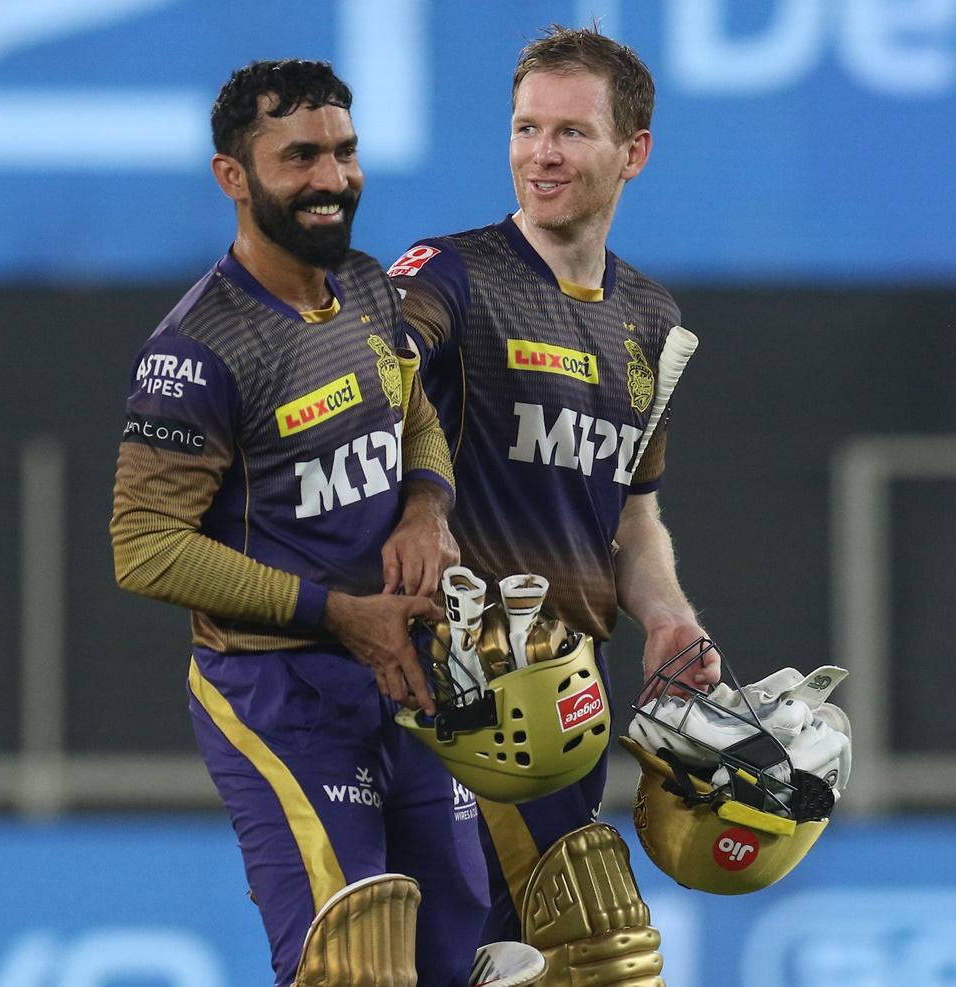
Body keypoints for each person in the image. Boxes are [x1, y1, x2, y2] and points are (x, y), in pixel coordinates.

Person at [110, 59, 489, 987]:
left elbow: (415, 411)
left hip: (407, 674)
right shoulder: (197, 351)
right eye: (301, 157)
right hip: (278, 697)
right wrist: (336, 612)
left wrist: (426, 506)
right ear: (232, 177)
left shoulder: (362, 283)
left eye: (345, 152)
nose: (333, 178)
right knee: (349, 966)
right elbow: (144, 545)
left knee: (458, 958)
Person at [388, 25, 722, 983]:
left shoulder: (652, 323)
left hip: (569, 703)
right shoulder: (451, 274)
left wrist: (668, 617)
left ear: (634, 151)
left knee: (520, 965)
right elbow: (375, 369)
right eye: (527, 128)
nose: (541, 154)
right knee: (588, 960)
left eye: (571, 133)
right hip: (455, 692)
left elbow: (632, 518)